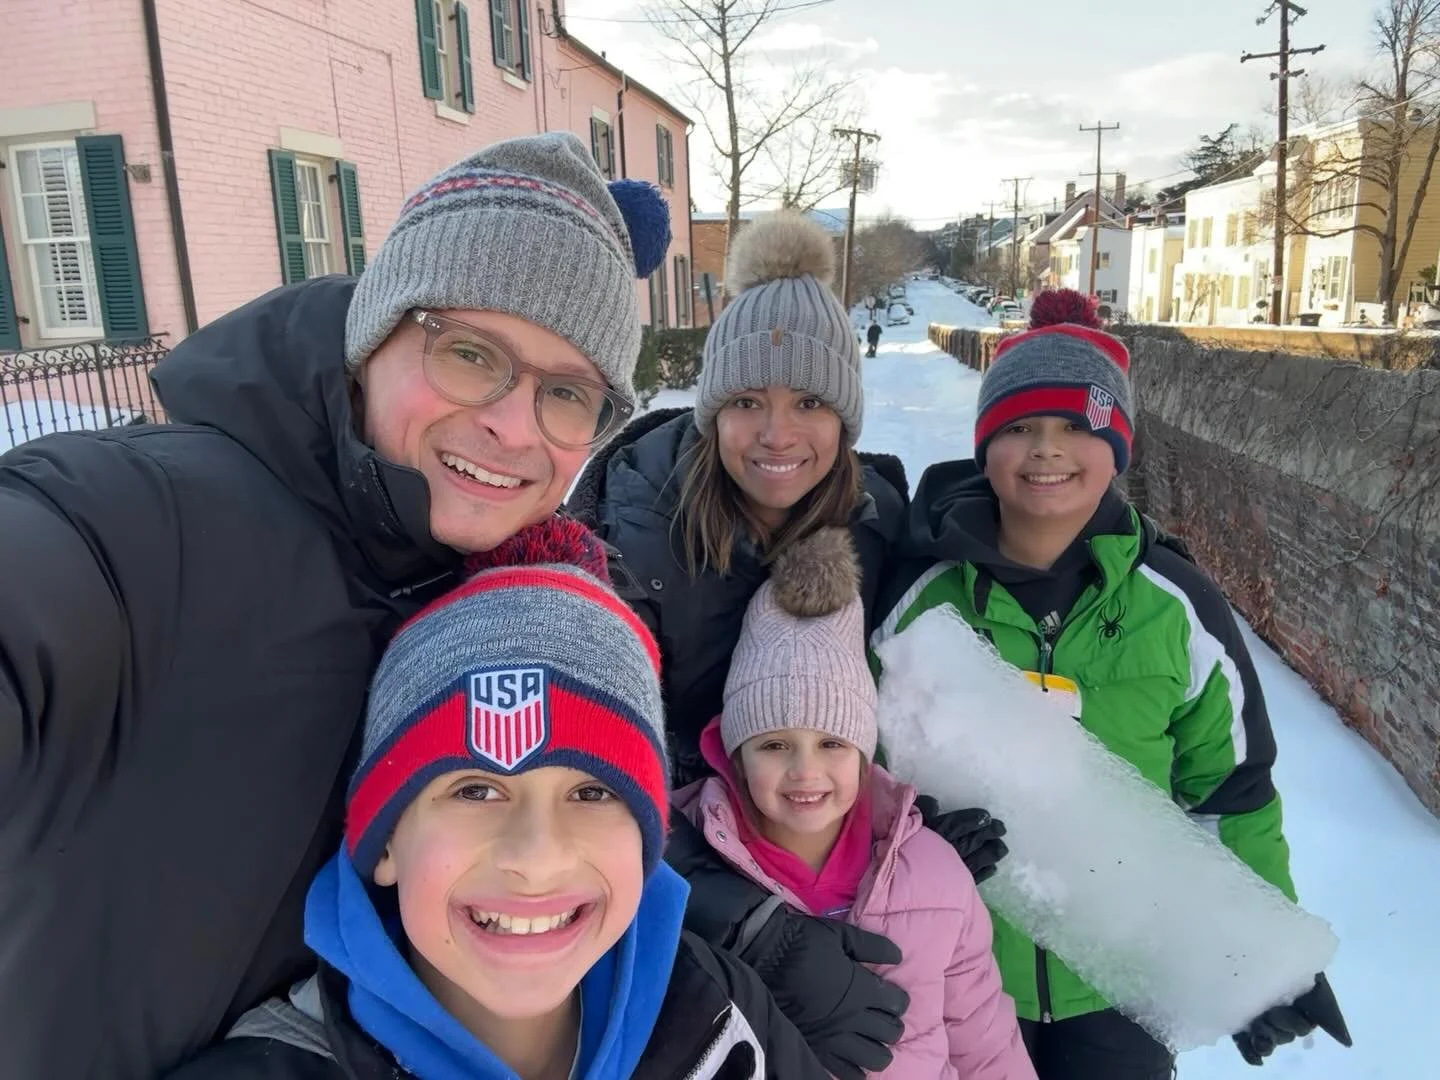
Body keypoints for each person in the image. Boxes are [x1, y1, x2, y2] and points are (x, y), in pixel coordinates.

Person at [0, 131, 673, 1080]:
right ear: (376, 337)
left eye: (568, 393)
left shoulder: (501, 595)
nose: (514, 426)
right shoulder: (144, 523)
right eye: (471, 353)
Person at [568, 209, 1009, 1079]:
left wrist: (905, 822)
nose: (777, 434)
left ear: (844, 415)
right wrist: (748, 924)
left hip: (822, 868)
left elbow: (885, 696)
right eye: (746, 402)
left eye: (809, 401)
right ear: (710, 411)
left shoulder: (875, 524)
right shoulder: (629, 538)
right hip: (673, 905)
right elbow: (586, 775)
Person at [871, 290, 1351, 1079]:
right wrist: (913, 834)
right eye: (1019, 427)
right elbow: (855, 774)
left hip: (1124, 980)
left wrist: (1264, 961)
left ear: (1117, 446)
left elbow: (1231, 793)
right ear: (985, 446)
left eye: (1074, 427)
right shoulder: (918, 604)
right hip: (959, 972)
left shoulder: (1178, 607)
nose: (1045, 450)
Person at [164, 518, 828, 1080]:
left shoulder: (716, 1007)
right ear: (386, 838)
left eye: (592, 791)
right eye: (476, 789)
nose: (536, 858)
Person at [673, 527, 1037, 1080]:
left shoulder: (935, 875)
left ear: (864, 753)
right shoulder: (685, 865)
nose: (805, 771)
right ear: (733, 752)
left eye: (831, 744)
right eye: (774, 744)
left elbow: (983, 1043)